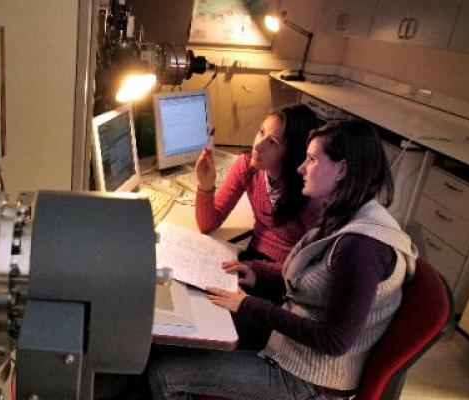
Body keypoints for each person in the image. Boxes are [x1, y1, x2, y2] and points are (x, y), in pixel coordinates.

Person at [148, 120, 418, 400]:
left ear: (342, 169)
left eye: (312, 160)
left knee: (164, 374)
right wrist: (259, 273)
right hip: (291, 343)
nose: (301, 168)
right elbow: (321, 279)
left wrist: (249, 304)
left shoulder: (362, 246)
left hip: (308, 378)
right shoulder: (347, 212)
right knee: (196, 326)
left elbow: (334, 341)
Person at [195, 104, 322, 265]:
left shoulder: (311, 193)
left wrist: (256, 270)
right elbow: (207, 225)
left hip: (286, 275)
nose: (258, 145)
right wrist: (205, 185)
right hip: (253, 258)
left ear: (291, 152)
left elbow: (311, 266)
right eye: (261, 132)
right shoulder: (246, 166)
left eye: (273, 142)